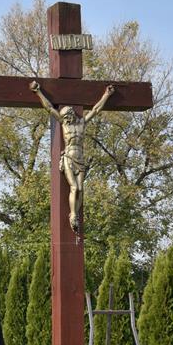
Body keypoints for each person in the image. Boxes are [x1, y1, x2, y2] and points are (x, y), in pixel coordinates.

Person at [30, 80, 115, 232]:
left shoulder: (81, 123)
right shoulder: (64, 124)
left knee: (81, 189)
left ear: (71, 114)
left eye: (68, 115)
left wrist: (106, 95)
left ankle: (75, 213)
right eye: (65, 116)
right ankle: (73, 214)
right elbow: (49, 108)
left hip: (80, 158)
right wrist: (38, 92)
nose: (67, 118)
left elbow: (95, 110)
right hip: (69, 157)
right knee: (74, 187)